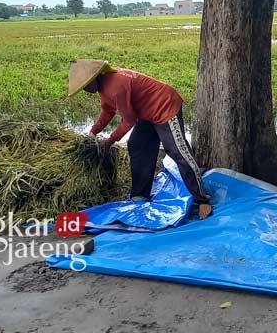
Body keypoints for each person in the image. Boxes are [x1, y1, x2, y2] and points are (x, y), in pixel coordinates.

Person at [68, 59, 211, 219]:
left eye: (86, 85)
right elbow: (107, 111)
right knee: (137, 144)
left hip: (165, 106)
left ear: (94, 78)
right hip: (147, 112)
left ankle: (202, 199)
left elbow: (129, 121)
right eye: (83, 88)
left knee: (178, 151)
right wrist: (92, 133)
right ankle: (140, 194)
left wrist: (110, 140)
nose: (86, 90)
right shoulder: (103, 88)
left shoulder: (116, 86)